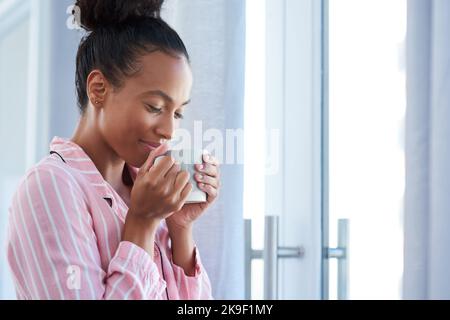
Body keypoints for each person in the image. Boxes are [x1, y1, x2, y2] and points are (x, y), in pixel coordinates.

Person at [6, 0, 219, 300]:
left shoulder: (146, 191)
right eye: (155, 107)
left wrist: (179, 230)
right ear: (99, 89)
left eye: (177, 113)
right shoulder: (49, 187)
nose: (169, 131)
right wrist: (141, 223)